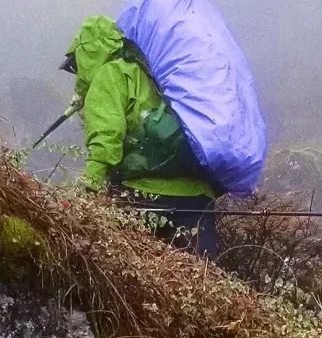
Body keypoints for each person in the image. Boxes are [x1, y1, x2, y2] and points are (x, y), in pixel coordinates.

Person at [63, 15, 222, 257]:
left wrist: (86, 191)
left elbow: (107, 139)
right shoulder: (152, 70)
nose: (76, 73)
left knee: (137, 280)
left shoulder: (109, 76)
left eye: (75, 65)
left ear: (86, 55)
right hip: (198, 193)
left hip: (144, 192)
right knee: (203, 282)